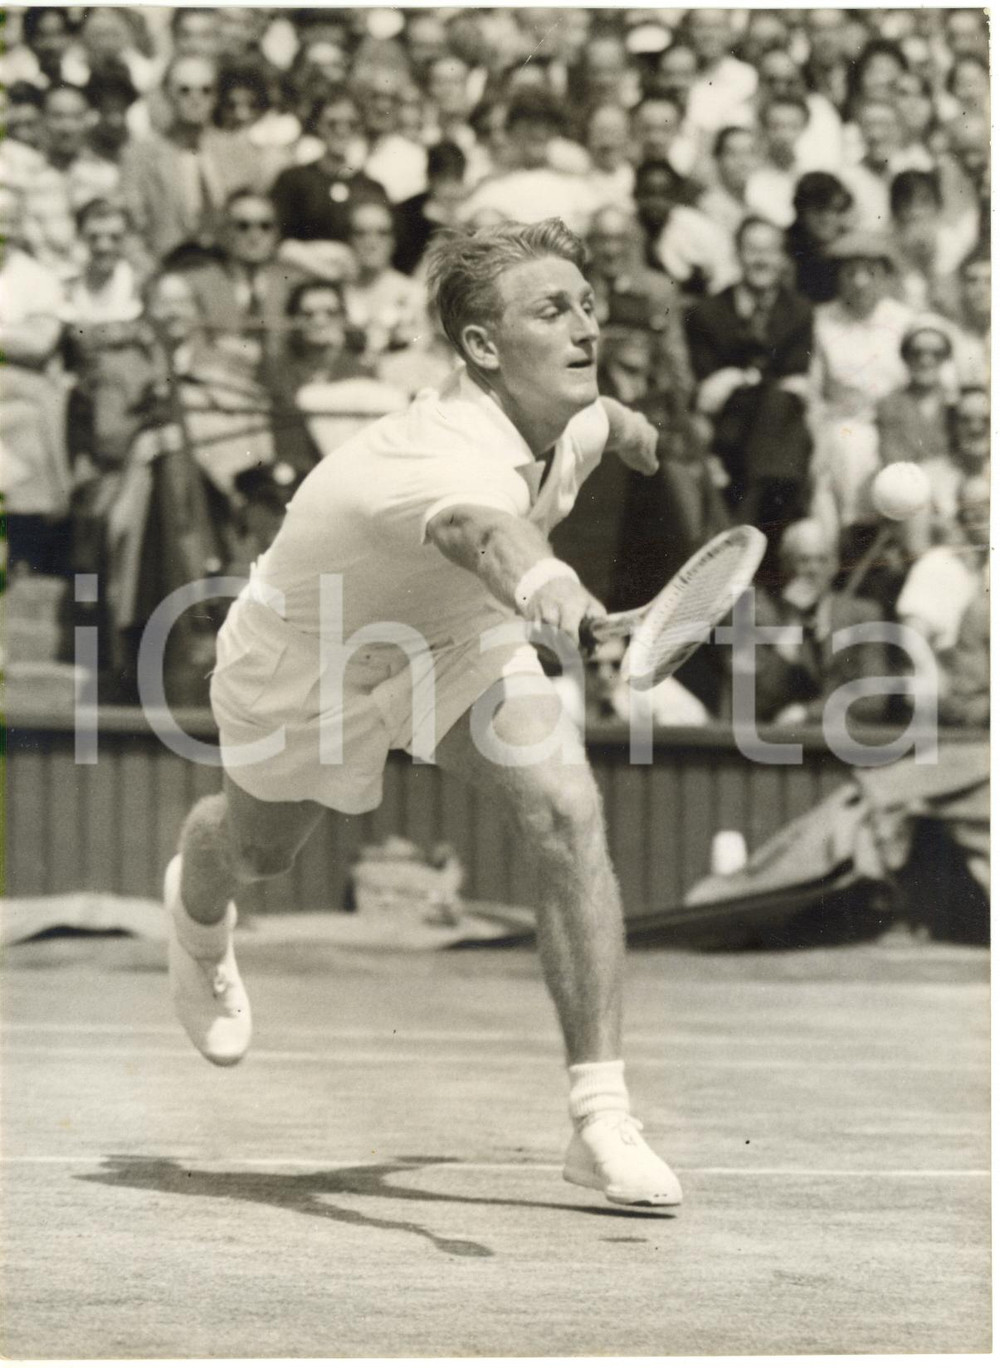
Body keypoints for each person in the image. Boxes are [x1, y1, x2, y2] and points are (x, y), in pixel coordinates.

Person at [162, 217, 683, 1210]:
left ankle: (600, 1117)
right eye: (551, 311)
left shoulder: (566, 410)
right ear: (482, 349)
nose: (584, 329)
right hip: (306, 654)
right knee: (259, 851)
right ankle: (197, 908)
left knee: (564, 811)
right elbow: (479, 528)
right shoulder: (442, 457)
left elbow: (603, 420)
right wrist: (549, 587)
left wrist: (635, 433)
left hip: (453, 643)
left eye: (585, 306)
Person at [685, 216, 813, 553]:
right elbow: (705, 384)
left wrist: (737, 377)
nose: (761, 260)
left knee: (781, 405)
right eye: (752, 250)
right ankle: (754, 528)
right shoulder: (707, 313)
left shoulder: (799, 313)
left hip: (777, 432)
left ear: (783, 258)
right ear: (737, 255)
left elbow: (798, 375)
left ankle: (748, 527)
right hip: (727, 434)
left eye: (769, 251)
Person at [119, 54, 263, 262]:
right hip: (166, 268)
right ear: (167, 94)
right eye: (184, 90)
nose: (196, 99)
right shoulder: (139, 156)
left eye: (205, 90)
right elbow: (130, 228)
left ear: (216, 97)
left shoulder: (239, 151)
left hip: (228, 269)